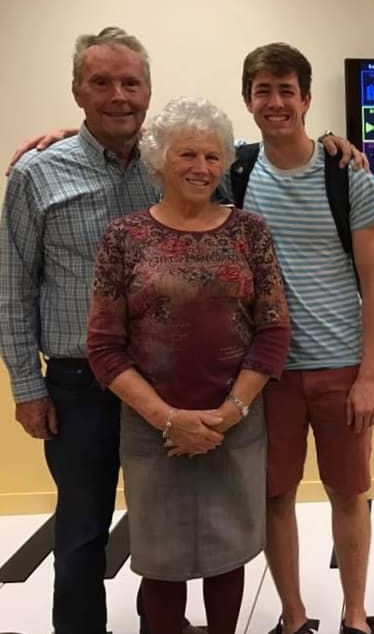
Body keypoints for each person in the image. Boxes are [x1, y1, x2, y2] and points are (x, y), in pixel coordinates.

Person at [0, 26, 362, 634]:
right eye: (101, 83)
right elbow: (12, 287)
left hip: (194, 394)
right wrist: (26, 387)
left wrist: (326, 139)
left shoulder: (188, 170)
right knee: (86, 531)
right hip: (81, 384)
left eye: (131, 83)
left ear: (147, 92)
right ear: (76, 91)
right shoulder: (39, 174)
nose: (118, 94)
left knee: (181, 538)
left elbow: (250, 150)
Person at [87, 95, 290, 634]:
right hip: (154, 431)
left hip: (236, 425)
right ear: (159, 159)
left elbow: (273, 331)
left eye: (211, 156)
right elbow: (104, 346)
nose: (201, 168)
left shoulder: (250, 232)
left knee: (229, 552)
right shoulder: (124, 238)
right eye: (186, 155)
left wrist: (228, 414)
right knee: (162, 562)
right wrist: (167, 419)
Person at [229, 43, 374, 634]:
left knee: (349, 494)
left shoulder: (347, 174)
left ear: (306, 99)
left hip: (342, 369)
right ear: (248, 101)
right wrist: (77, 130)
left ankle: (354, 613)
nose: (275, 102)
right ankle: (293, 616)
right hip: (266, 374)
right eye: (263, 91)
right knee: (276, 499)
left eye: (286, 90)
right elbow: (160, 155)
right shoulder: (234, 173)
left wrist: (369, 375)